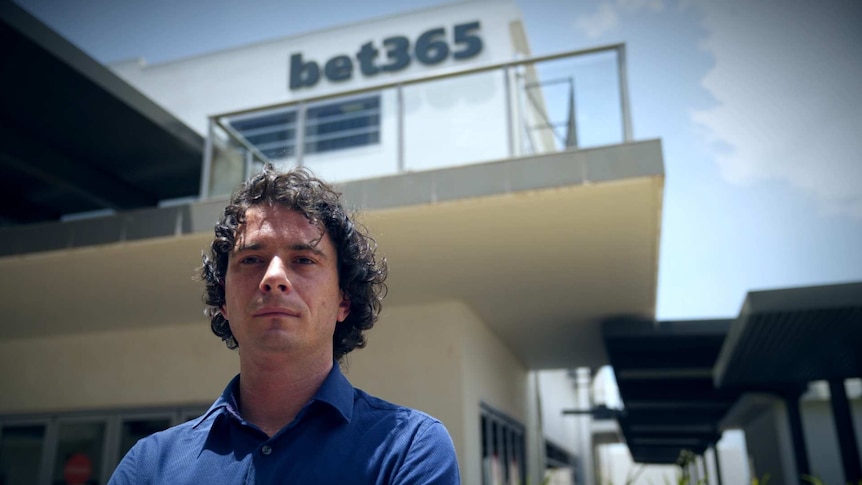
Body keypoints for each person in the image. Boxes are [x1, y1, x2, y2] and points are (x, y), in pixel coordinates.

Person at [109, 165, 460, 484]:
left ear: (343, 299)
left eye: (303, 260)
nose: (273, 277)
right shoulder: (148, 465)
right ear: (223, 302)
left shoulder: (409, 449)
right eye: (251, 259)